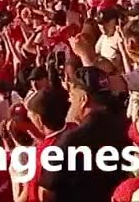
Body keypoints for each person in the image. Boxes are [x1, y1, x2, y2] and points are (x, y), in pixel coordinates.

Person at [38, 67, 131, 202]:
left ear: (83, 99)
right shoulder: (126, 126)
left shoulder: (68, 142)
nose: (70, 102)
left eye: (72, 97)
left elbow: (46, 194)